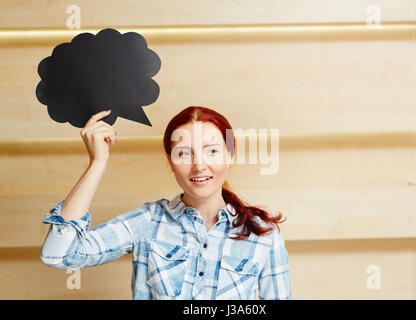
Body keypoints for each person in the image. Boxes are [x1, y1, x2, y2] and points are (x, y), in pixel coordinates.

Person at [40, 106, 291, 300]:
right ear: (170, 161)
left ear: (229, 155)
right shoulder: (147, 222)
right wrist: (97, 163)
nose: (199, 165)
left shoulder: (263, 236)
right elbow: (59, 255)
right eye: (184, 153)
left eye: (212, 150)